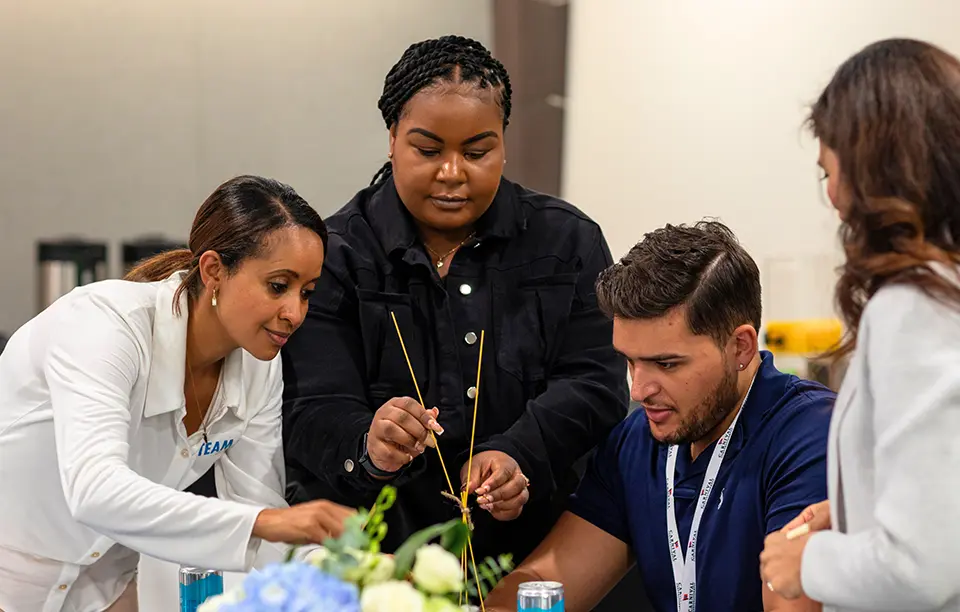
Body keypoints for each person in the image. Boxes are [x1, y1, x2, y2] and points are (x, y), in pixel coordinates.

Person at [280, 35, 628, 564]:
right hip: (377, 564)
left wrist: (517, 452)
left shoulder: (566, 242)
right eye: (427, 149)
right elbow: (310, 409)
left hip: (535, 557)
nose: (452, 172)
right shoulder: (335, 255)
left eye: (477, 151)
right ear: (392, 137)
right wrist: (370, 444)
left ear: (504, 142)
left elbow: (596, 384)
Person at [0, 176, 356, 612]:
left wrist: (359, 571)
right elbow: (95, 490)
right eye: (278, 286)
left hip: (106, 588)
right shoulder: (104, 324)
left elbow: (261, 522)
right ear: (213, 271)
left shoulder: (260, 365)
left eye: (308, 293)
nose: (294, 313)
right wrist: (268, 522)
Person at [484, 221, 834, 612]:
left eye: (666, 363)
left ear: (741, 347)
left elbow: (791, 602)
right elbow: (545, 582)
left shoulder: (811, 435)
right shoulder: (638, 438)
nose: (639, 391)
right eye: (630, 362)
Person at [760, 38, 960, 611]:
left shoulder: (916, 307)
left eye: (830, 172)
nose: (833, 200)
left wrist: (808, 564)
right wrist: (854, 513)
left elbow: (921, 566)